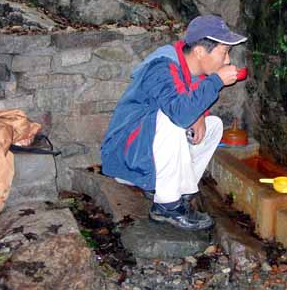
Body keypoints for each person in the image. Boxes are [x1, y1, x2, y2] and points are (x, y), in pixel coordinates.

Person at [101, 15, 247, 231]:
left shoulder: (192, 68)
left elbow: (190, 99)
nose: (227, 60)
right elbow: (177, 113)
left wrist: (200, 115)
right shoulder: (162, 67)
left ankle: (180, 190)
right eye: (224, 52)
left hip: (145, 154)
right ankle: (167, 206)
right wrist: (216, 81)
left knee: (213, 125)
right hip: (126, 157)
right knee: (174, 120)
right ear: (199, 51)